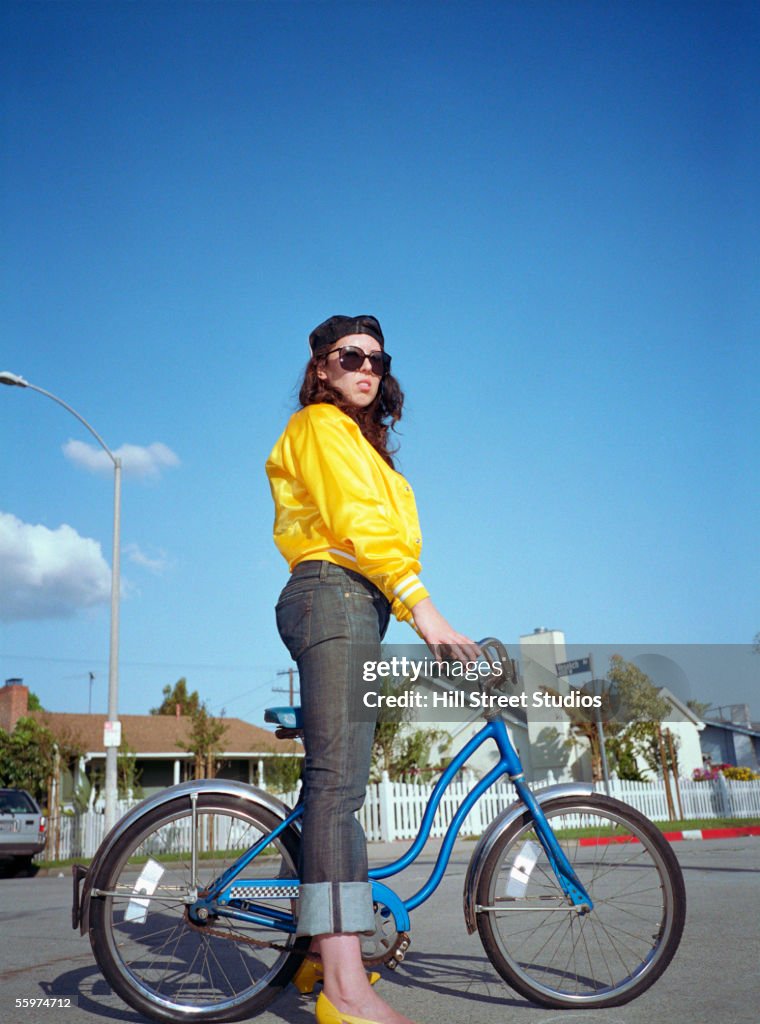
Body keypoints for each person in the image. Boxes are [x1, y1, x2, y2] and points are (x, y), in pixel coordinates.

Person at [266, 314, 477, 1024]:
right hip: (335, 597)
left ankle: (318, 954)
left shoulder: (362, 443)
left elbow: (386, 535)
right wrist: (427, 614)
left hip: (354, 603)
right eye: (349, 355)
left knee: (336, 787)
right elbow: (359, 522)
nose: (366, 367)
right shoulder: (321, 429)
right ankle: (345, 993)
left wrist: (405, 603)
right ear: (321, 368)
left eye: (378, 359)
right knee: (338, 790)